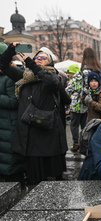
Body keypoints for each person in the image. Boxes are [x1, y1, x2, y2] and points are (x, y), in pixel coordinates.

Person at [0, 43, 67, 183]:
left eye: (43, 57)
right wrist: (11, 49)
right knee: (33, 176)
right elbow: (4, 65)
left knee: (50, 176)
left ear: (51, 61)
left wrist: (32, 65)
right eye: (37, 57)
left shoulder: (54, 76)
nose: (38, 59)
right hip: (29, 132)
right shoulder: (25, 76)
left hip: (47, 132)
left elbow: (52, 83)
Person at [0, 42, 26, 186]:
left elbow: (14, 102)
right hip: (3, 126)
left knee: (11, 163)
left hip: (9, 127)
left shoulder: (10, 76)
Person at [66, 63, 88, 152]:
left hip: (75, 106)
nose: (69, 74)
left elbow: (67, 91)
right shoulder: (84, 78)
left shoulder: (74, 79)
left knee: (74, 125)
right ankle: (85, 143)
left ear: (73, 72)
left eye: (70, 72)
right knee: (84, 126)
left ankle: (76, 143)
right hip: (84, 105)